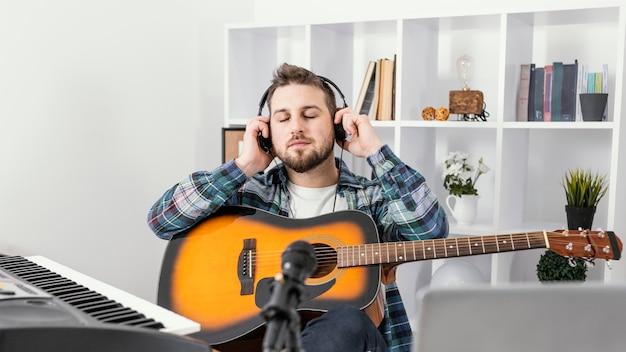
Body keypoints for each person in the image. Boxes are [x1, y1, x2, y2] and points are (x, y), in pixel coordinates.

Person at [147, 63, 449, 352]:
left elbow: (431, 231)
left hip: (354, 344)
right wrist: (245, 165)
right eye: (283, 118)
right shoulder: (248, 195)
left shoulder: (373, 200)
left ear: (337, 124)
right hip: (257, 343)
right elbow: (163, 219)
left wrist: (374, 150)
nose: (296, 128)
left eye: (310, 115)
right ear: (266, 132)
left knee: (346, 320)